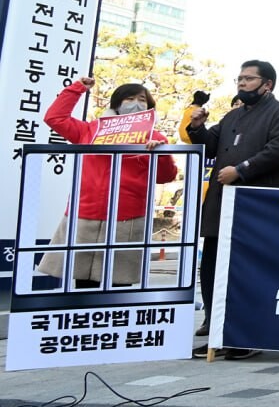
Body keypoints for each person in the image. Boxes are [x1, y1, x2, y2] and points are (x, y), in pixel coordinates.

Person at [186, 60, 279, 357]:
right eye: (240, 78)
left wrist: (241, 170)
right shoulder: (232, 115)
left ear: (267, 84)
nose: (242, 83)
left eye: (249, 79)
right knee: (211, 266)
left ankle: (246, 336)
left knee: (245, 269)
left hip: (254, 205)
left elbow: (277, 151)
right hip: (220, 202)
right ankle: (218, 333)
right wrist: (197, 128)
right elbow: (211, 146)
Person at [39, 77, 178, 288]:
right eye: (129, 98)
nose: (136, 103)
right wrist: (77, 89)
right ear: (116, 104)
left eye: (142, 99)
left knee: (118, 285)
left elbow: (165, 177)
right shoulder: (92, 130)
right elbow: (55, 118)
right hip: (84, 213)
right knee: (83, 284)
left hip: (127, 217)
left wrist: (160, 153)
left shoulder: (155, 137)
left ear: (149, 107)